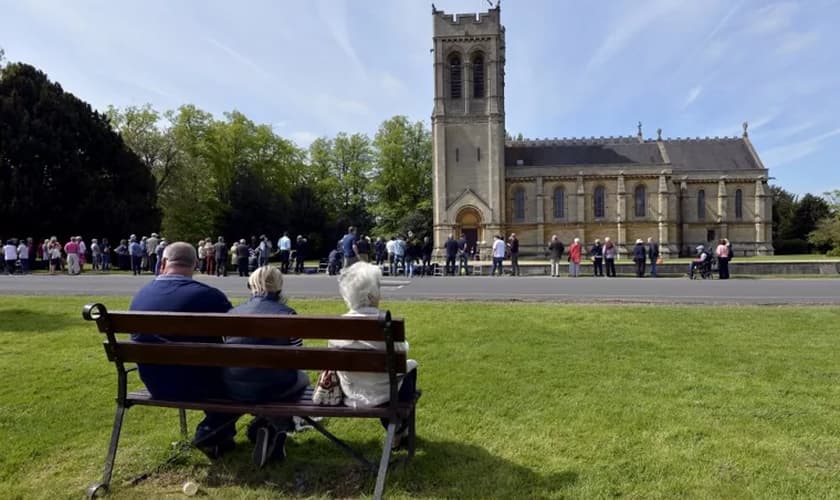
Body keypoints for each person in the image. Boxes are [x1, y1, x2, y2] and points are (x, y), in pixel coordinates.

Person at [129, 242, 237, 458]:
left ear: (164, 263)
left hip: (156, 383)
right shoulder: (210, 296)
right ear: (195, 264)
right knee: (244, 380)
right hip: (203, 385)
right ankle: (210, 432)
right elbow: (239, 334)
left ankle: (218, 435)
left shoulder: (141, 296)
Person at [223, 266, 309, 468]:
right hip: (275, 387)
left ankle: (265, 427)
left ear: (251, 286)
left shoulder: (232, 313)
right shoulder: (288, 314)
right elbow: (297, 356)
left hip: (236, 386)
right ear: (279, 288)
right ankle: (276, 429)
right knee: (300, 378)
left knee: (266, 377)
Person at [329, 262, 418, 446]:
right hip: (386, 393)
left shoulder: (337, 327)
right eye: (378, 287)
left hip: (351, 392)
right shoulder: (384, 327)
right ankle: (398, 426)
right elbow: (402, 350)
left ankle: (397, 429)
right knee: (411, 366)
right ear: (370, 295)